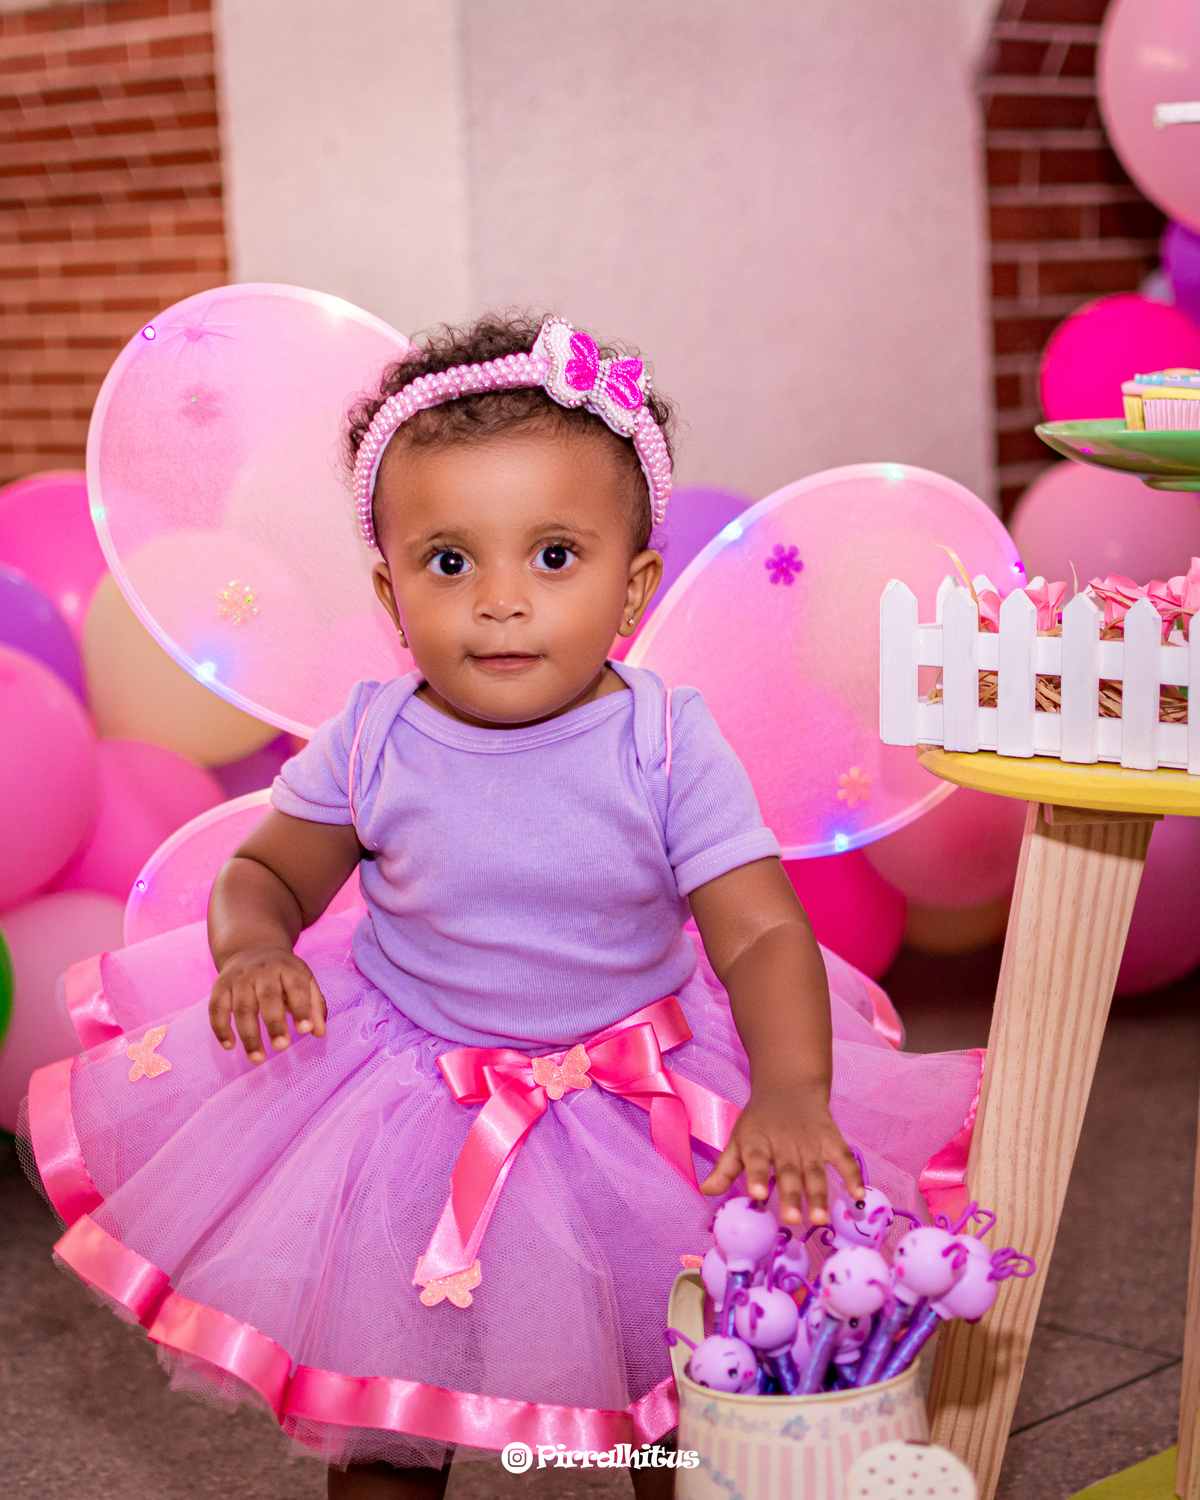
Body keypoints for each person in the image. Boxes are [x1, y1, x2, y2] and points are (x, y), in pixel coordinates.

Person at [24, 313, 981, 1499]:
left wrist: (789, 1088)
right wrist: (252, 948)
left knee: (678, 1385)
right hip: (406, 1104)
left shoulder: (664, 740)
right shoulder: (373, 739)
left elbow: (764, 927)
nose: (501, 603)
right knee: (382, 1404)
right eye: (449, 561)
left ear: (633, 589)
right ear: (390, 589)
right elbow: (265, 872)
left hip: (642, 1100)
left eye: (554, 557)